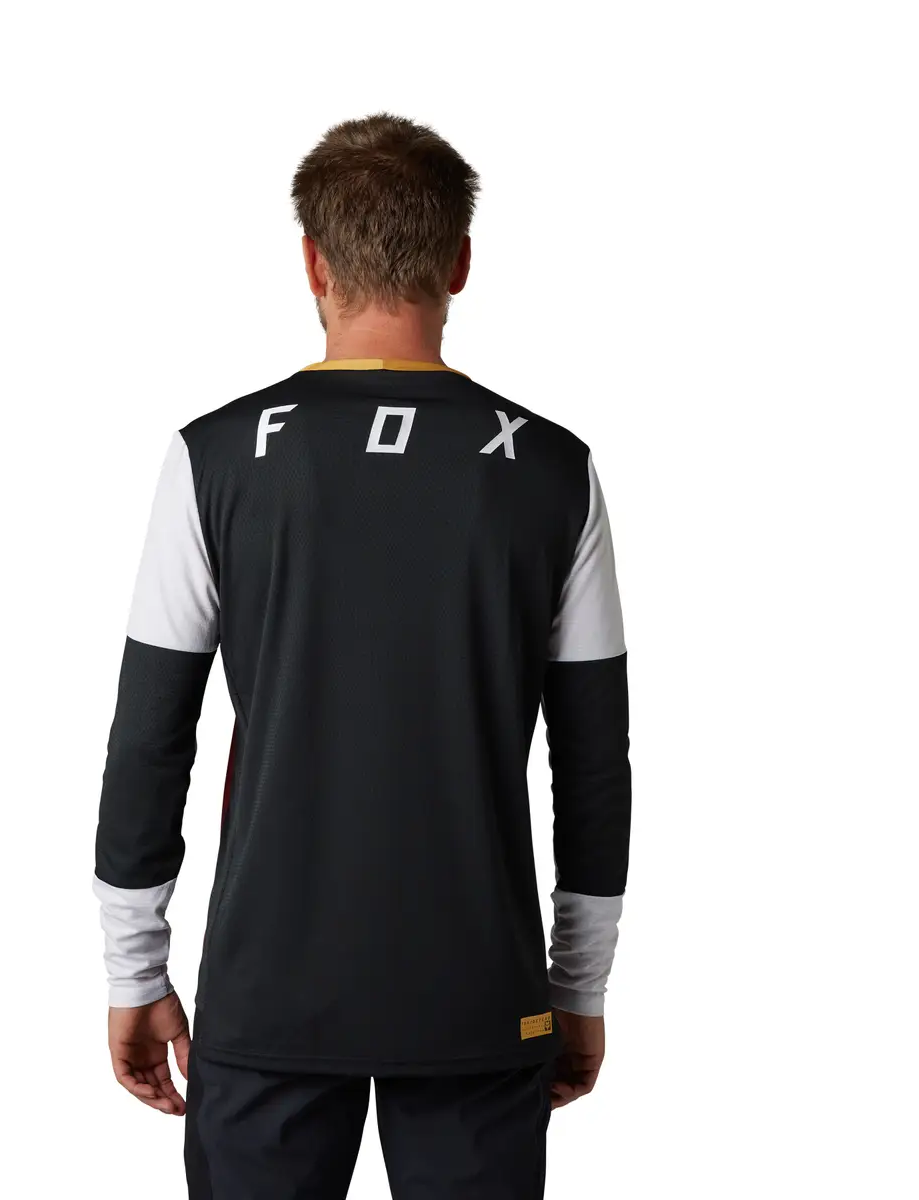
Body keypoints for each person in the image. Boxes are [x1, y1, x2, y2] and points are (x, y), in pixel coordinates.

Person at [92, 112, 631, 1199]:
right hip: (480, 995)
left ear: (312, 263)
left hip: (267, 990)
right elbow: (593, 760)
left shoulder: (213, 457)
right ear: (461, 261)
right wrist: (578, 985)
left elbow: (150, 736)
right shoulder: (554, 470)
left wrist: (133, 966)